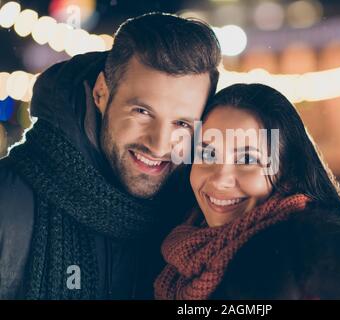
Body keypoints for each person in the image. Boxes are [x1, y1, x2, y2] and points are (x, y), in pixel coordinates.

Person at [0, 13, 221, 299]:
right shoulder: (9, 199)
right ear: (102, 93)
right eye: (142, 112)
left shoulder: (199, 218)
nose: (159, 145)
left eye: (182, 124)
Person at [154, 83, 340, 300]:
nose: (221, 179)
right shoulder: (178, 246)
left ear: (287, 171)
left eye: (248, 159)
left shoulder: (316, 267)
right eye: (208, 154)